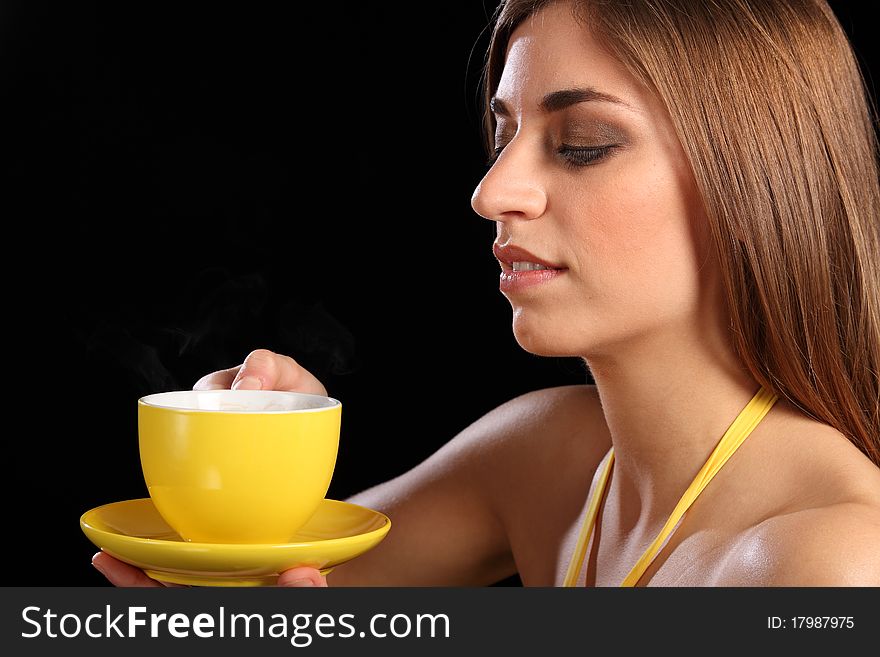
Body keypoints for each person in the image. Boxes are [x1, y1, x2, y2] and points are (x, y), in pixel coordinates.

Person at [93, 0, 880, 587]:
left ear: (755, 184)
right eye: (504, 138)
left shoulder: (829, 563)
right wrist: (257, 474)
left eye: (582, 146)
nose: (493, 190)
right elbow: (267, 603)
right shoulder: (539, 457)